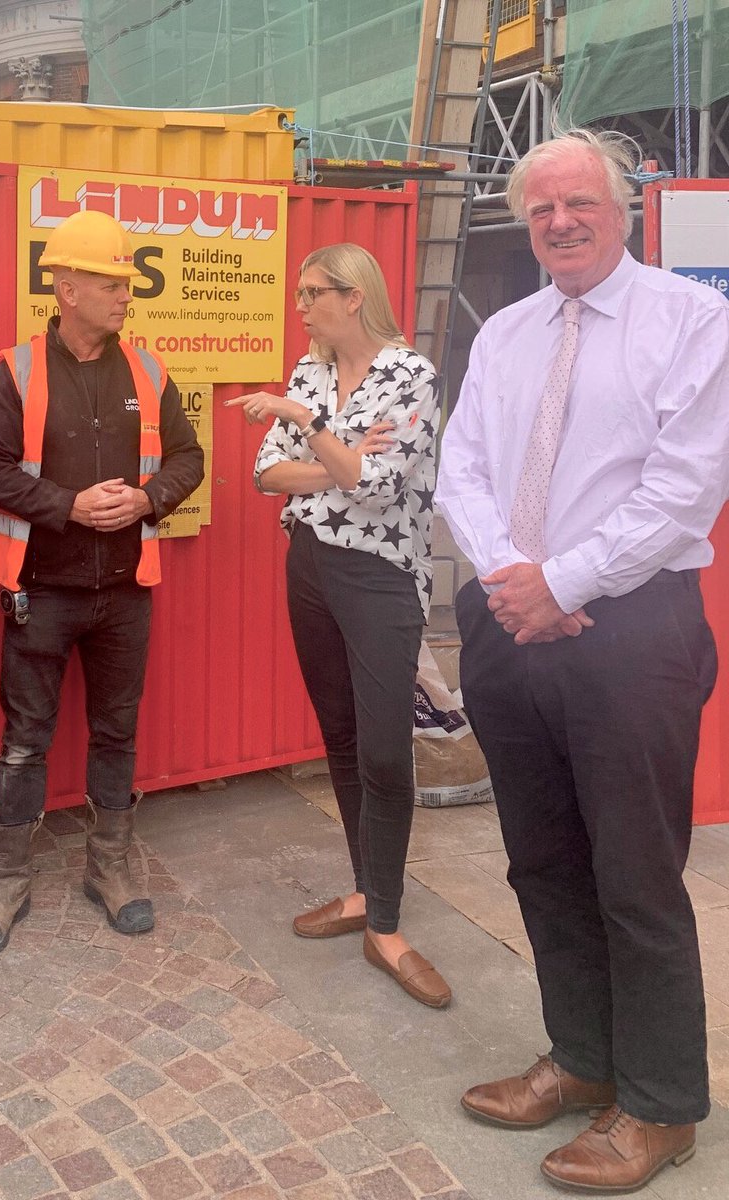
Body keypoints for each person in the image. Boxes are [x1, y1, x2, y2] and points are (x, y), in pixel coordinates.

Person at [437, 128, 729, 1193]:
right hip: (513, 626)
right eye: (542, 209)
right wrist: (519, 578)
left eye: (580, 204)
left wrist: (564, 583)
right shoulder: (509, 334)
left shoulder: (695, 323)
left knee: (635, 874)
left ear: (624, 209)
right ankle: (582, 1056)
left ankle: (659, 1106)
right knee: (541, 859)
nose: (560, 222)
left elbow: (683, 490)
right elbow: (461, 464)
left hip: (632, 630)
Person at [0, 209, 203, 956]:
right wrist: (66, 506)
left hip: (126, 591)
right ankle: (7, 881)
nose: (125, 294)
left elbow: (189, 459)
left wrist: (149, 497)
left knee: (116, 732)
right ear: (66, 287)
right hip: (42, 591)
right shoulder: (19, 370)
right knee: (25, 741)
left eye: (126, 282)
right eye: (111, 281)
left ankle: (112, 870)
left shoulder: (147, 371)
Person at [227, 243, 447, 1008]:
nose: (300, 305)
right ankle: (364, 893)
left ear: (353, 295)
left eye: (311, 292)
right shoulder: (311, 367)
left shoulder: (409, 374)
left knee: (387, 748)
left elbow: (380, 489)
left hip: (381, 577)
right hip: (312, 565)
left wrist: (309, 425)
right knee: (342, 737)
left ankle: (386, 926)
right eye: (297, 293)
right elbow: (266, 473)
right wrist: (337, 453)